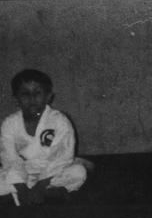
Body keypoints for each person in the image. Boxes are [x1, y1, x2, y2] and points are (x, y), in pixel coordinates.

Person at [1, 69, 88, 204]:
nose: (32, 99)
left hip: (51, 174)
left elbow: (63, 157)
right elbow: (9, 158)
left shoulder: (59, 121)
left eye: (37, 93)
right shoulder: (9, 124)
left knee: (78, 172)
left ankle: (51, 192)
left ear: (48, 96)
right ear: (15, 99)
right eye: (25, 94)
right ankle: (26, 194)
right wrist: (21, 188)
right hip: (22, 174)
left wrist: (40, 186)